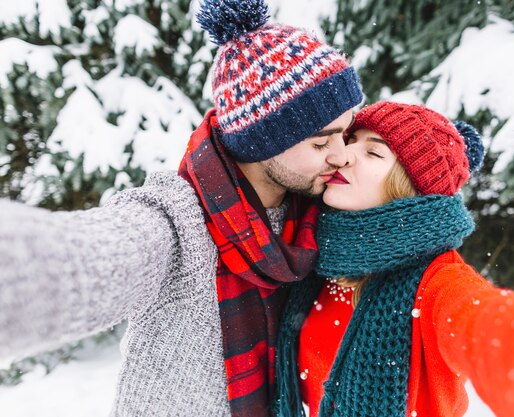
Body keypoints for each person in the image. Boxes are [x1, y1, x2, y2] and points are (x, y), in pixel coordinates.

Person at [0, 0, 363, 416]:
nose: (342, 155)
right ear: (265, 141)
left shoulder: (320, 218)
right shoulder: (174, 223)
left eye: (345, 134)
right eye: (321, 141)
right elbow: (76, 262)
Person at [274, 101, 514, 417]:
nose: (345, 155)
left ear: (407, 186)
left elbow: (490, 328)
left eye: (374, 153)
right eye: (351, 141)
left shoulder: (437, 282)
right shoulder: (312, 255)